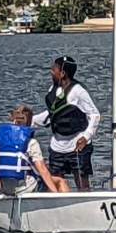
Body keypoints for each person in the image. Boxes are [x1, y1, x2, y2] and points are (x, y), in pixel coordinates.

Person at [32, 55, 100, 191]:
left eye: (54, 69)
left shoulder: (78, 92)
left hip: (77, 145)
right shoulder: (53, 89)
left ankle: (84, 204)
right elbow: (52, 114)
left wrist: (86, 137)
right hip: (57, 146)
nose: (51, 71)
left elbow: (94, 114)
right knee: (56, 182)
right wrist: (30, 121)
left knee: (81, 182)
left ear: (62, 73)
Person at [0, 105, 70, 195]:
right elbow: (42, 170)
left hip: (6, 189)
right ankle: (65, 205)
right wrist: (55, 192)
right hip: (26, 188)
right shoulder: (31, 142)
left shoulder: (1, 143)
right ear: (29, 122)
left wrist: (4, 190)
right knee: (61, 181)